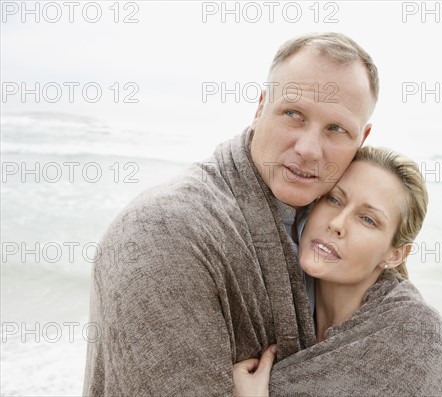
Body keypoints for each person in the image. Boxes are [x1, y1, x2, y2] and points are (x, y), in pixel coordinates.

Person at [83, 32, 377, 395]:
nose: (309, 149)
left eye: (336, 129)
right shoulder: (164, 232)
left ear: (360, 140)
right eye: (293, 114)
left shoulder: (334, 235)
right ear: (260, 107)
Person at [233, 147, 442, 396]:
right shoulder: (268, 298)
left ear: (395, 255)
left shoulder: (415, 334)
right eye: (334, 199)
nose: (337, 223)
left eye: (367, 219)